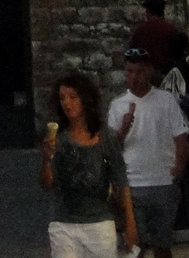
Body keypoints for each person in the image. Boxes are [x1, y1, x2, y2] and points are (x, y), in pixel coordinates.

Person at [40, 69, 138, 258]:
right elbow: (48, 183)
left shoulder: (105, 136)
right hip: (63, 223)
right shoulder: (57, 138)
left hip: (99, 223)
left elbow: (120, 179)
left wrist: (130, 224)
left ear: (86, 99)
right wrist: (46, 159)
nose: (67, 103)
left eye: (73, 97)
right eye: (62, 98)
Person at [107, 47, 189, 258]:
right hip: (132, 185)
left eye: (139, 71)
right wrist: (124, 128)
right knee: (136, 247)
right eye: (129, 72)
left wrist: (178, 167)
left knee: (162, 245)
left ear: (149, 71)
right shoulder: (117, 106)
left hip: (163, 183)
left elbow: (181, 137)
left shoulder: (166, 101)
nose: (134, 77)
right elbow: (110, 148)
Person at [128, 0, 186, 82]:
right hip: (167, 74)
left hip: (147, 75)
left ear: (148, 12)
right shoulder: (170, 29)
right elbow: (178, 52)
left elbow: (132, 54)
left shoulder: (141, 31)